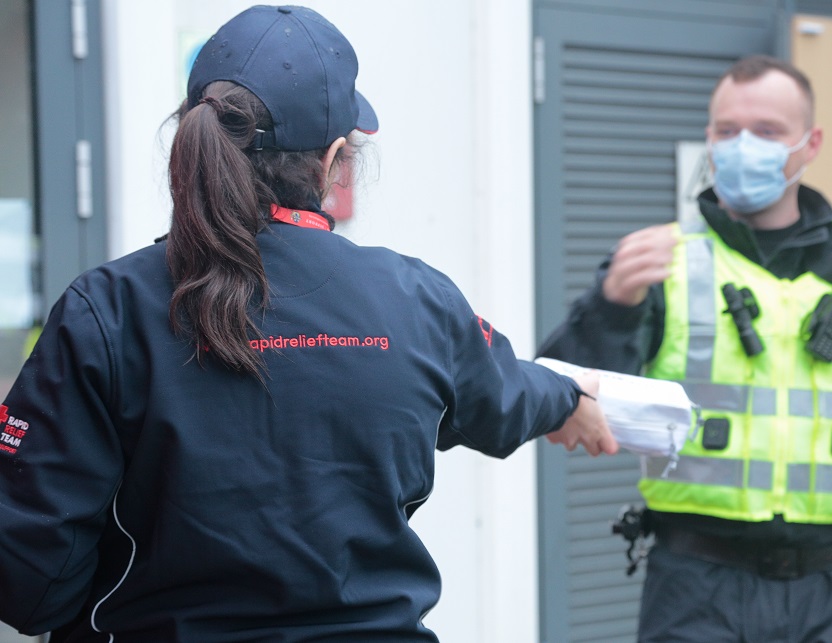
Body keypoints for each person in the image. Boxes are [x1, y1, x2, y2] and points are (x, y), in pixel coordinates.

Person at [0, 6, 617, 641]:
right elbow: (503, 393)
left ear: (193, 133)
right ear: (333, 160)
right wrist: (569, 398)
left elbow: (30, 582)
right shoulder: (416, 301)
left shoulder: (106, 310)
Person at [538, 54, 832, 642]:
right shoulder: (660, 263)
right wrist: (611, 304)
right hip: (696, 588)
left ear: (810, 144)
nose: (743, 147)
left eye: (767, 131)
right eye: (727, 131)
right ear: (709, 139)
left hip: (831, 592)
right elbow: (556, 402)